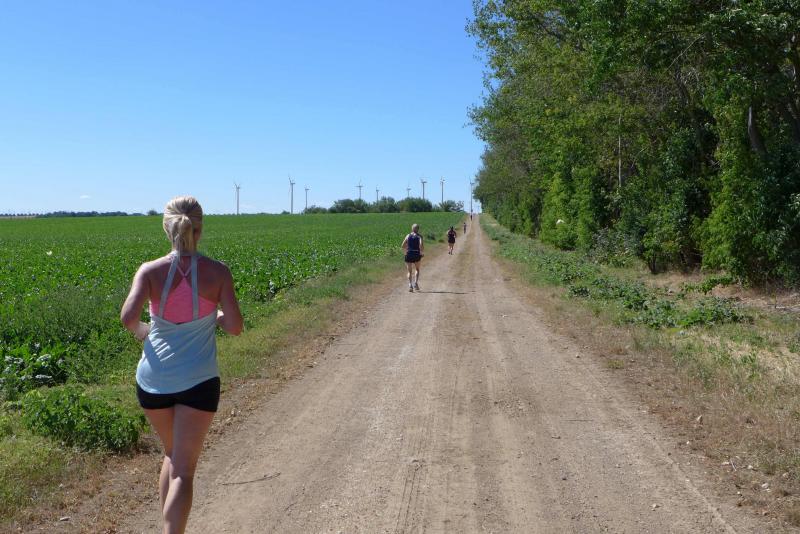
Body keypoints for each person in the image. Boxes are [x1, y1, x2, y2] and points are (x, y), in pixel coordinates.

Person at [120, 196, 243, 534]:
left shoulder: (149, 271)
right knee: (184, 470)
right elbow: (235, 326)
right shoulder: (218, 272)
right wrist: (214, 317)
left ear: (167, 228)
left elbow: (128, 318)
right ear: (200, 228)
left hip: (153, 380)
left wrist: (145, 333)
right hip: (198, 380)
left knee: (172, 454)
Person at [401, 223, 424, 292]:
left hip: (409, 254)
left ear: (412, 228)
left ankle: (410, 285)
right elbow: (421, 245)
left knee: (409, 271)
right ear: (418, 229)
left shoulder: (408, 235)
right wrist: (421, 252)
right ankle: (416, 283)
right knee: (417, 269)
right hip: (416, 254)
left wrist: (406, 251)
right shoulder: (420, 236)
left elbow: (402, 245)